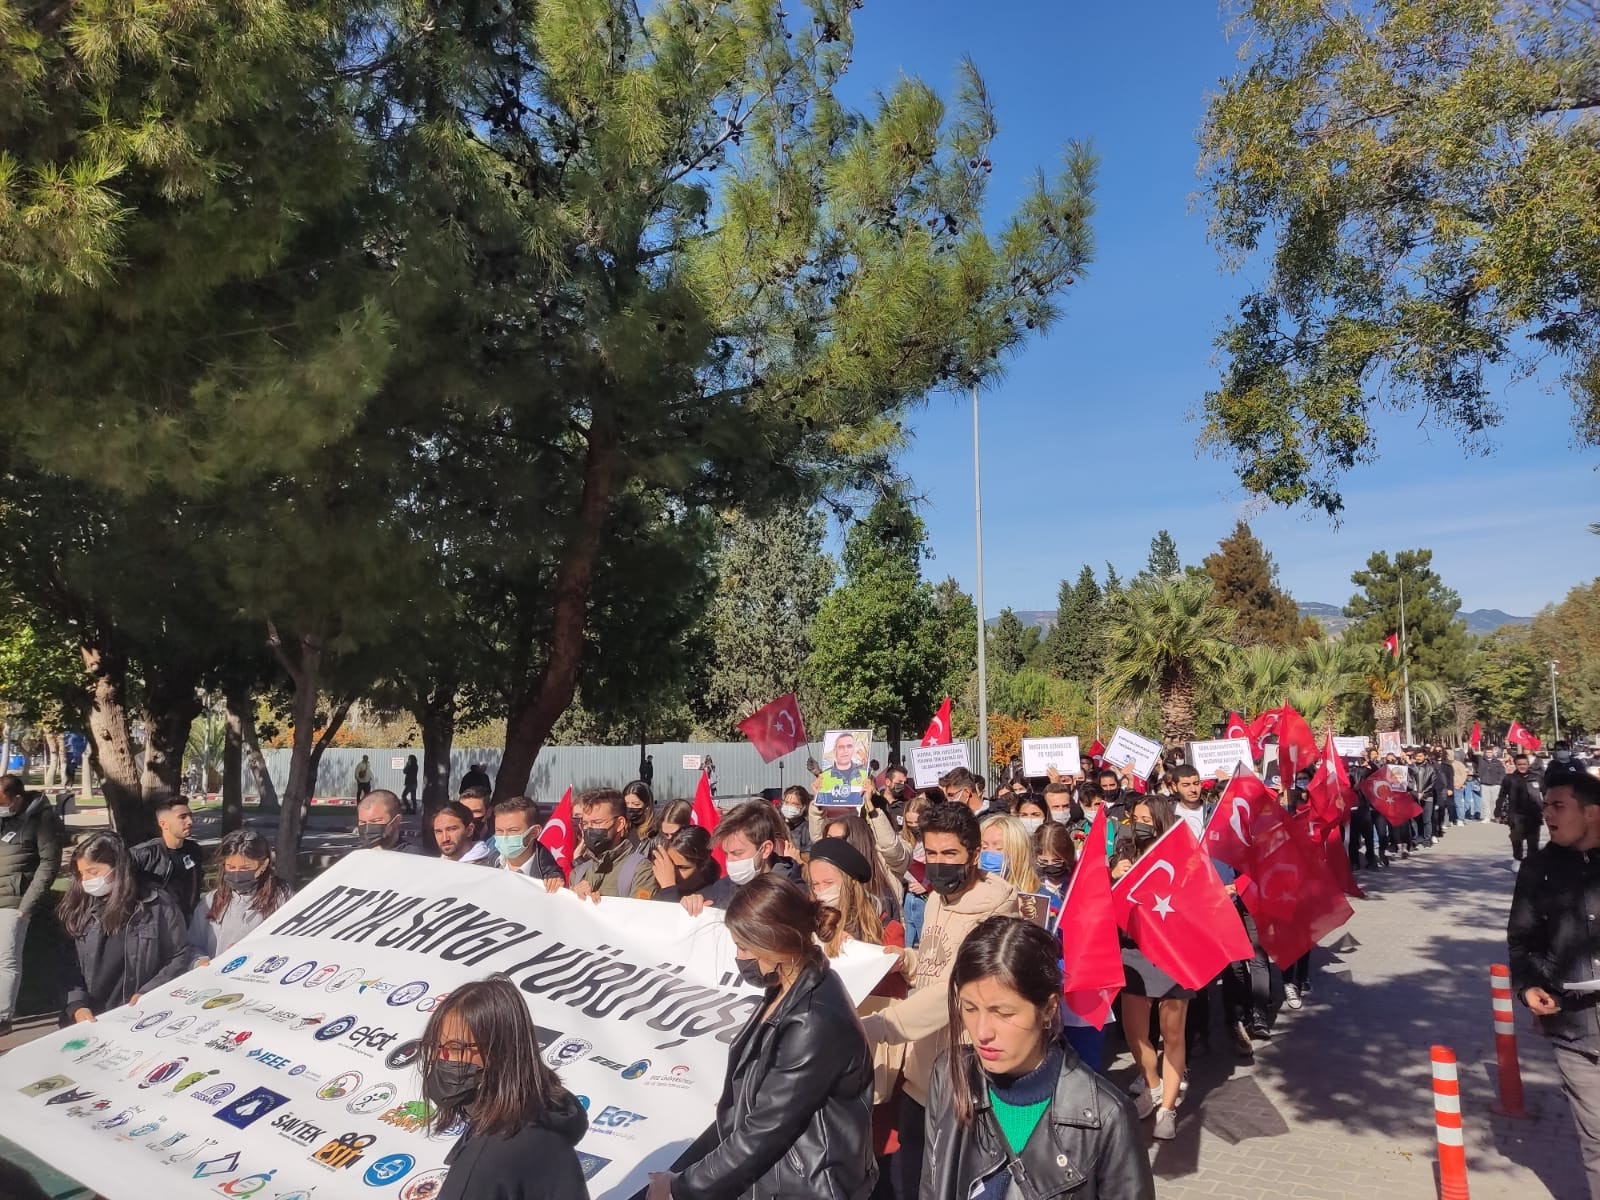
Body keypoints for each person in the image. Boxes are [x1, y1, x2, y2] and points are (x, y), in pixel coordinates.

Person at [650, 875, 875, 1200]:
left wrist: (679, 1188)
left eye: (744, 946)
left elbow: (763, 1133)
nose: (739, 957)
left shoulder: (812, 1020)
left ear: (774, 942)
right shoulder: (787, 989)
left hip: (804, 1189)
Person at [922, 917, 1155, 1200]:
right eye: (970, 1008)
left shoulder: (1106, 1116)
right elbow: (933, 1185)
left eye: (1003, 1013)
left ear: (1048, 1008)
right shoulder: (949, 1075)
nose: (981, 1032)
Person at [859, 802, 1018, 1200]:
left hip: (964, 1074)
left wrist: (879, 1028)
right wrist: (905, 960)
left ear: (975, 855)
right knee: (910, 1179)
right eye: (931, 854)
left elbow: (958, 986)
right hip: (920, 1072)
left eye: (950, 854)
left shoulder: (998, 912)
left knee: (953, 1185)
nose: (938, 863)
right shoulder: (935, 900)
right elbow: (934, 962)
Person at [1508, 765, 1600, 1198]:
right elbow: (1520, 943)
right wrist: (1527, 989)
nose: (1547, 812)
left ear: (1592, 813)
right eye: (1545, 805)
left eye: (1558, 805)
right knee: (1597, 1140)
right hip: (1576, 1032)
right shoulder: (1537, 870)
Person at [418, 975, 589, 1200]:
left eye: (456, 1048)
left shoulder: (485, 1162)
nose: (443, 1057)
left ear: (499, 1053)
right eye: (437, 1046)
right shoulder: (548, 1115)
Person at [1111, 794, 1189, 1140]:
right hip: (1133, 954)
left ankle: (1168, 1110)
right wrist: (1114, 876)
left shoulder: (1182, 856)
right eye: (1135, 818)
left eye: (1146, 818)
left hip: (1172, 954)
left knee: (1172, 1035)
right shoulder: (1123, 854)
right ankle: (1153, 1085)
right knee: (1136, 1033)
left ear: (1161, 822)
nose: (1139, 824)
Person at [59, 831, 189, 1020]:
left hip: (138, 1014)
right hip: (87, 1017)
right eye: (81, 874)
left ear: (118, 868)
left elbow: (179, 954)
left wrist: (149, 992)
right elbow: (67, 964)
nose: (86, 880)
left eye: (93, 872)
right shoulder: (78, 905)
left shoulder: (156, 904)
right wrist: (77, 1005)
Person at [0, 777, 60, 1034]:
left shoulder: (42, 819)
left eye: (2, 802)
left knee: (6, 960)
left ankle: (3, 1017)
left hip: (15, 901)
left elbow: (49, 865)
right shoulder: (4, 820)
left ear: (17, 798)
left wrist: (26, 906)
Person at [188, 830, 293, 967]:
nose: (237, 874)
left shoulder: (282, 899)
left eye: (245, 868)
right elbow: (192, 945)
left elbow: (291, 945)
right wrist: (198, 961)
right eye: (231, 867)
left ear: (263, 865)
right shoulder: (211, 901)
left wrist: (249, 953)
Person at [571, 788, 658, 900]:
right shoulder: (578, 874)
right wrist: (573, 898)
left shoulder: (641, 871)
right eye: (585, 824)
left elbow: (639, 915)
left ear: (620, 823)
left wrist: (603, 904)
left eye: (597, 822)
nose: (589, 829)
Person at [131, 795, 205, 915]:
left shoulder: (194, 851)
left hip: (187, 921)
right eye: (183, 817)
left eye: (190, 816)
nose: (190, 822)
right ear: (163, 824)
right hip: (156, 924)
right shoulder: (143, 855)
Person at [716, 800, 803, 887]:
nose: (729, 861)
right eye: (726, 854)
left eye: (737, 853)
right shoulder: (720, 890)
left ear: (765, 849)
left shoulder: (793, 893)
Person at [651, 825, 737, 913]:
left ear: (704, 865)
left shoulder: (716, 897)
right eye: (670, 865)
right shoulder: (663, 890)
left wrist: (668, 889)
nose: (672, 873)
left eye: (682, 867)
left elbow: (673, 922)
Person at [492, 796, 565, 892]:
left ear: (534, 832)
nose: (504, 837)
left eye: (513, 830)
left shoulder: (552, 881)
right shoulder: (484, 866)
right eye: (499, 831)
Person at [980, 814, 1041, 897]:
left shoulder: (1041, 899)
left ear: (1019, 852)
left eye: (999, 848)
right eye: (984, 847)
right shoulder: (967, 895)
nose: (989, 853)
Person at [1505, 753, 1545, 860]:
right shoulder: (1509, 779)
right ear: (1515, 765)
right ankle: (1517, 859)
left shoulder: (1537, 778)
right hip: (1516, 814)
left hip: (1534, 814)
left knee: (1533, 840)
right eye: (1519, 764)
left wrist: (1547, 808)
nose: (1522, 766)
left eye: (1525, 764)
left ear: (1528, 764)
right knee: (1516, 839)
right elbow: (1502, 796)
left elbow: (1546, 794)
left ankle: (1532, 862)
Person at [815, 734, 869, 805]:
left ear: (853, 750)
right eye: (841, 747)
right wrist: (817, 796)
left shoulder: (864, 774)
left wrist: (871, 793)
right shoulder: (824, 777)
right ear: (835, 751)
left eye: (849, 746)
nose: (845, 751)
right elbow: (821, 807)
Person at [457, 785, 500, 865]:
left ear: (488, 812)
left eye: (476, 811)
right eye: (464, 811)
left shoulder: (497, 845)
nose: (470, 816)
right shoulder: (453, 841)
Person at [779, 784, 814, 856]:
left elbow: (808, 855)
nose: (789, 807)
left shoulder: (808, 829)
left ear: (803, 806)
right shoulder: (778, 824)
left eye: (794, 804)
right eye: (787, 803)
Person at [1479, 748, 1506, 824]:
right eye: (1487, 752)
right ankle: (1487, 817)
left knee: (1496, 802)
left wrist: (1499, 782)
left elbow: (1502, 773)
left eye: (1490, 752)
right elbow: (1479, 770)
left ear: (1493, 753)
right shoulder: (1481, 761)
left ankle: (1496, 817)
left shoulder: (1497, 762)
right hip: (1484, 784)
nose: (1488, 753)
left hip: (1495, 785)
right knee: (1485, 802)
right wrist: (1482, 778)